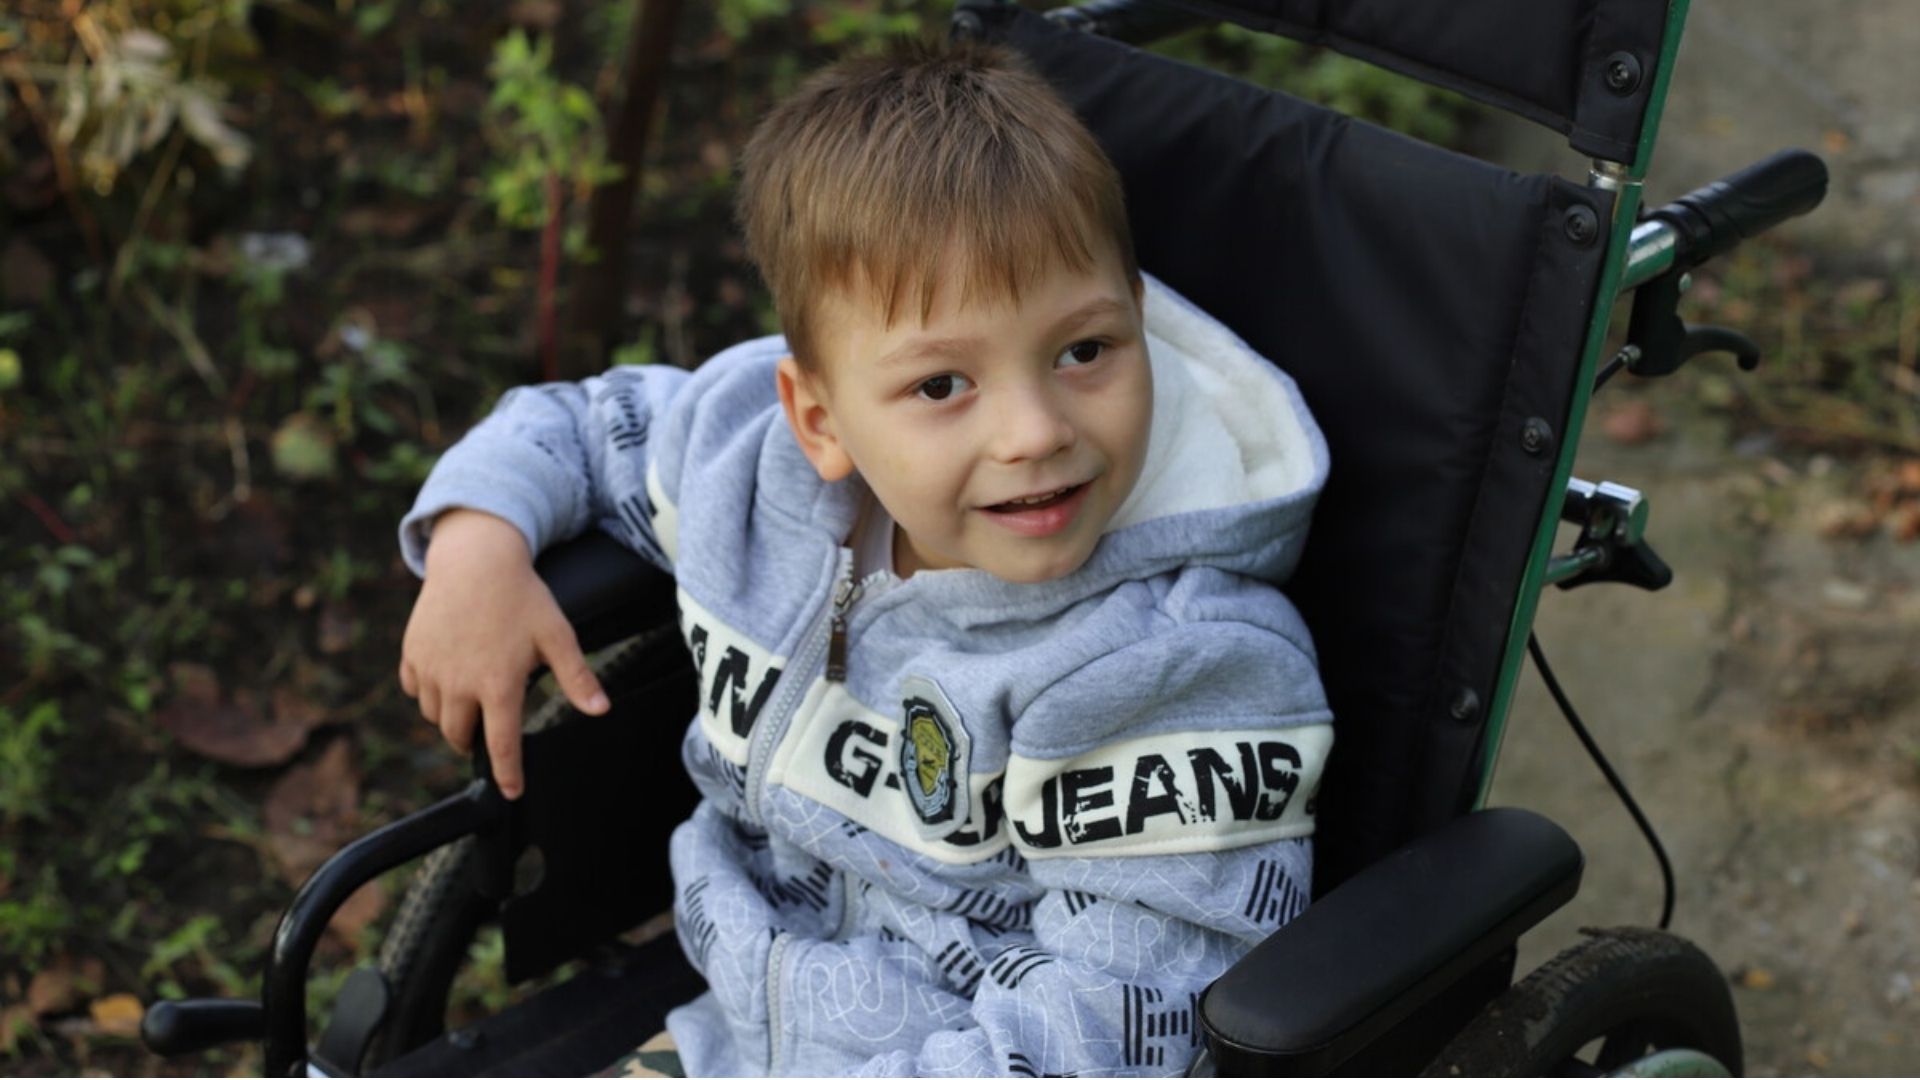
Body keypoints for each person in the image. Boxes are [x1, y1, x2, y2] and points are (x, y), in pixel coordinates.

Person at [396, 36, 1332, 1078]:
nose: (1034, 431)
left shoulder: (1176, 670)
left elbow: (1115, 1034)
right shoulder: (752, 465)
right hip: (739, 1013)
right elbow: (579, 427)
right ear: (821, 418)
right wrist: (478, 542)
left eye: (1085, 351)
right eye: (942, 386)